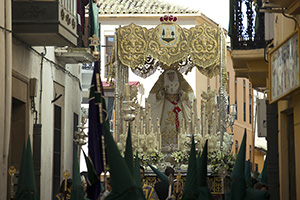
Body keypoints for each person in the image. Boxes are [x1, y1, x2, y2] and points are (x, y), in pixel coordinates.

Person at [148, 69, 195, 151]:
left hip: (178, 106)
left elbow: (190, 96)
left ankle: (181, 145)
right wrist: (161, 93)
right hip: (166, 105)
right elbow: (153, 97)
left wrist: (183, 94)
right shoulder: (162, 83)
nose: (171, 76)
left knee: (181, 123)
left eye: (172, 74)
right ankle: (164, 146)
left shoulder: (181, 82)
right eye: (168, 74)